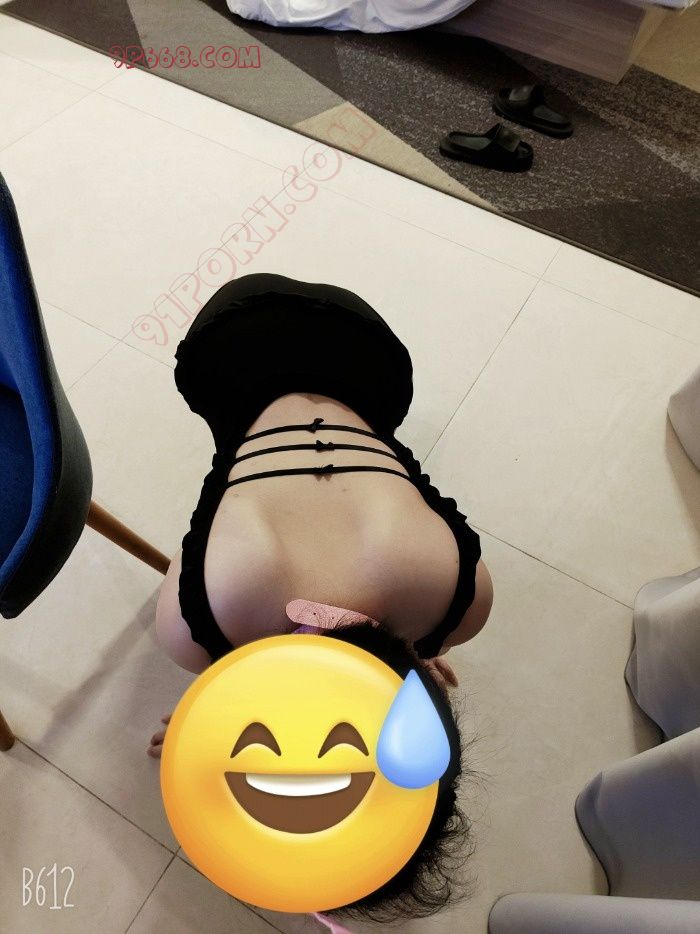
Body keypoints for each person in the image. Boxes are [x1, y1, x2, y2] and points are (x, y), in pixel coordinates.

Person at [152, 272, 493, 922]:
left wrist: (403, 659)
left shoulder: (458, 601)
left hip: (369, 357)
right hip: (229, 344)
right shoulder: (198, 628)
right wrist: (207, 723)